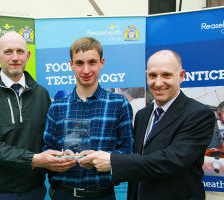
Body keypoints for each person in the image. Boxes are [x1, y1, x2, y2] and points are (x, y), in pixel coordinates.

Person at [79, 50, 215, 200]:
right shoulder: (143, 115)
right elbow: (138, 159)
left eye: (166, 75)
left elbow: (171, 160)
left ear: (181, 76)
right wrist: (94, 159)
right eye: (152, 75)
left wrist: (111, 161)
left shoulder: (199, 114)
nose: (158, 83)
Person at [0, 31, 74, 200]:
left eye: (20, 51)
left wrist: (62, 157)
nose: (15, 57)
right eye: (8, 52)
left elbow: (48, 140)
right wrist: (34, 159)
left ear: (28, 55)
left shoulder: (41, 94)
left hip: (33, 191)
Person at [43, 37, 134, 199]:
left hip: (103, 194)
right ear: (71, 65)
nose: (86, 70)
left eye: (92, 62)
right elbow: (46, 150)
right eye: (79, 63)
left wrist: (104, 159)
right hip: (64, 193)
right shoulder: (57, 107)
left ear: (102, 63)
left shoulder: (119, 104)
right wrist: (60, 158)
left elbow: (128, 151)